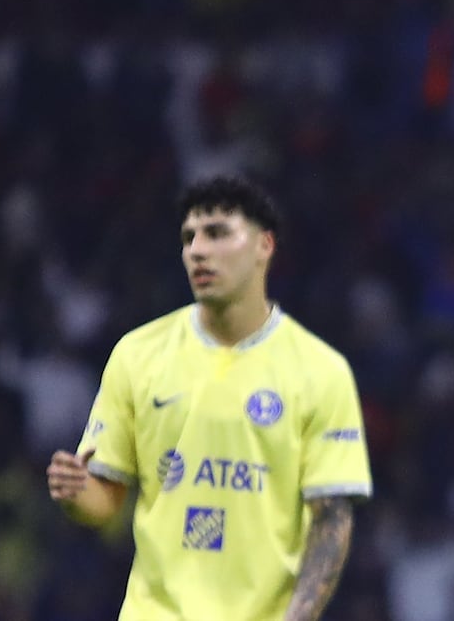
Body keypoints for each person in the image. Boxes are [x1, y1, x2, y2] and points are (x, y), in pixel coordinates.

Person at [46, 175, 373, 621]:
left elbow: (332, 518)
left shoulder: (320, 371)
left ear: (264, 245)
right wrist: (77, 492)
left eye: (217, 233)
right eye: (189, 238)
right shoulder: (138, 354)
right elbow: (106, 501)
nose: (198, 250)